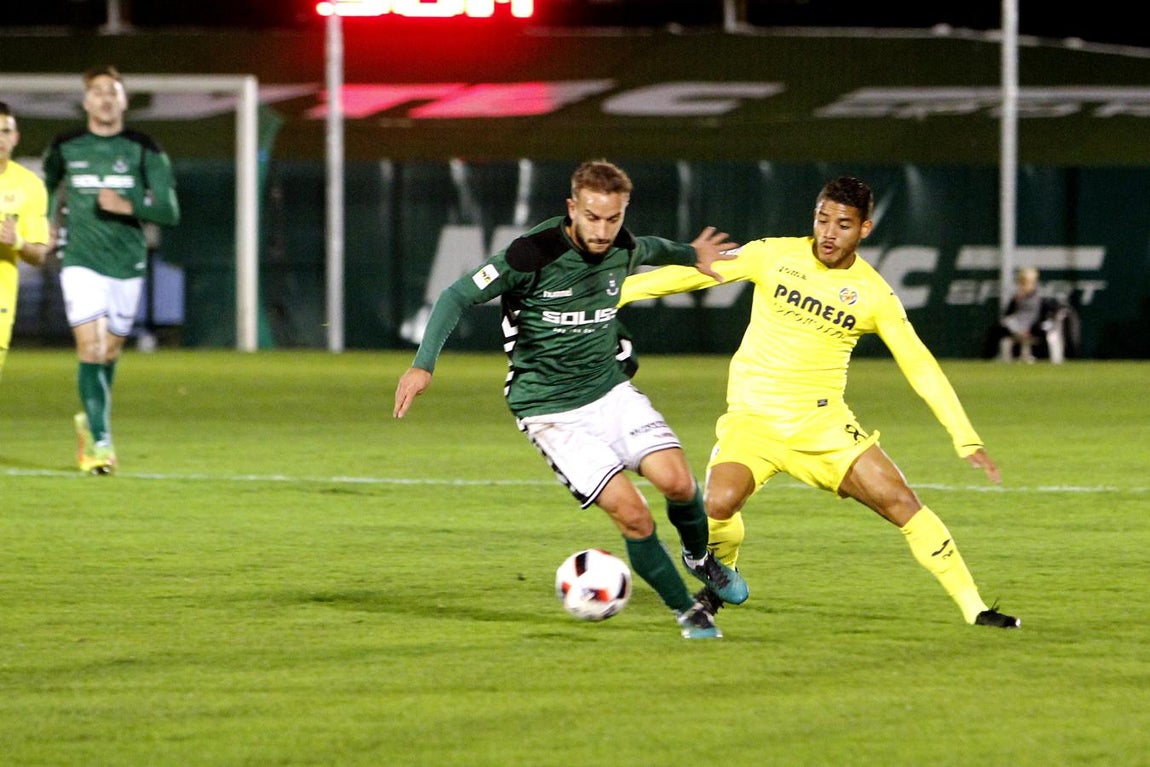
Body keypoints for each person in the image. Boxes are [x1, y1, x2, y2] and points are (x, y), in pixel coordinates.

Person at [619, 176, 1020, 629]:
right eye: (822, 219)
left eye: (843, 224)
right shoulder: (774, 254)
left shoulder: (873, 294)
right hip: (754, 423)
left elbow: (920, 365)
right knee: (716, 505)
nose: (829, 233)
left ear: (864, 229)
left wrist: (965, 438)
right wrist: (617, 293)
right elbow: (694, 273)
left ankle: (976, 609)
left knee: (901, 502)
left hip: (822, 427)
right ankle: (719, 582)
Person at [393, 159, 749, 638]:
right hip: (551, 411)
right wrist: (423, 364)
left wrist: (691, 253)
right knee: (634, 515)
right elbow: (456, 295)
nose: (603, 230)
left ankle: (699, 558)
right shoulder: (531, 254)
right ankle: (687, 612)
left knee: (680, 483)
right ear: (572, 208)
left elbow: (650, 248)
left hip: (609, 390)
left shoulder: (621, 245)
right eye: (592, 217)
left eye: (613, 218)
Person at [42, 66, 180, 475]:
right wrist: (47, 222)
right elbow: (47, 187)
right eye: (97, 92)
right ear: (86, 101)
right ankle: (101, 443)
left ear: (123, 101)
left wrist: (129, 206)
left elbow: (170, 211)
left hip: (126, 262)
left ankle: (91, 416)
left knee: (110, 350)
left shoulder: (143, 148)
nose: (104, 98)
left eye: (112, 92)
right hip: (79, 260)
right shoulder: (66, 145)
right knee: (90, 347)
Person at [0, 101, 51, 381]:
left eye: (6, 131)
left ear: (16, 137)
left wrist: (17, 241)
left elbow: (39, 254)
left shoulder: (29, 185)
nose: (0, 139)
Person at [997, 266, 1067, 364]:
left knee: (1044, 331)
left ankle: (1044, 360)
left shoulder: (1041, 299)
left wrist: (1030, 330)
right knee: (999, 330)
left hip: (1036, 329)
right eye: (1022, 282)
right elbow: (1007, 317)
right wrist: (1018, 330)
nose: (1024, 285)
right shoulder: (1015, 300)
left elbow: (1049, 316)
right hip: (1018, 329)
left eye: (1026, 282)